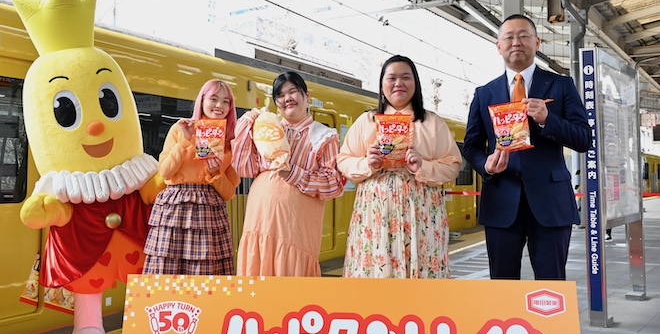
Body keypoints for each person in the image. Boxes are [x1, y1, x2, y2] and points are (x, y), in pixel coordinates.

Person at [463, 14, 590, 280]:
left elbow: (583, 139)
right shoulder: (484, 93)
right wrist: (485, 165)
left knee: (551, 284)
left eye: (523, 35)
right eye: (508, 37)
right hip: (500, 200)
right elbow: (471, 146)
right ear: (499, 46)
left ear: (537, 42)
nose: (516, 42)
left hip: (550, 202)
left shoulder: (561, 85)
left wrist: (548, 119)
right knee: (502, 284)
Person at [337, 55, 461, 278]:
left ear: (416, 83)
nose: (398, 84)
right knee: (375, 268)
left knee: (422, 265)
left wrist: (422, 165)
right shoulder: (367, 121)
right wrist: (367, 163)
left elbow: (452, 165)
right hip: (375, 214)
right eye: (391, 78)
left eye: (406, 77)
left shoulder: (432, 122)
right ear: (382, 84)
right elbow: (343, 159)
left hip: (421, 212)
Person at [232, 70, 344, 277]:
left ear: (307, 96)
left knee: (291, 277)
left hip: (295, 227)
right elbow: (244, 168)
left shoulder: (324, 136)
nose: (287, 98)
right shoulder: (266, 129)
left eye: (293, 91)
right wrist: (246, 123)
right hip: (260, 220)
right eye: (280, 95)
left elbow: (334, 184)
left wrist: (293, 173)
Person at [143, 79, 240, 276]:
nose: (219, 106)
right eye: (213, 99)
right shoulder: (180, 129)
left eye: (226, 101)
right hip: (174, 207)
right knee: (165, 270)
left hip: (209, 209)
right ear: (202, 101)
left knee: (204, 273)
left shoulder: (233, 141)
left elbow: (229, 193)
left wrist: (215, 174)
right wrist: (186, 141)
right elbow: (165, 172)